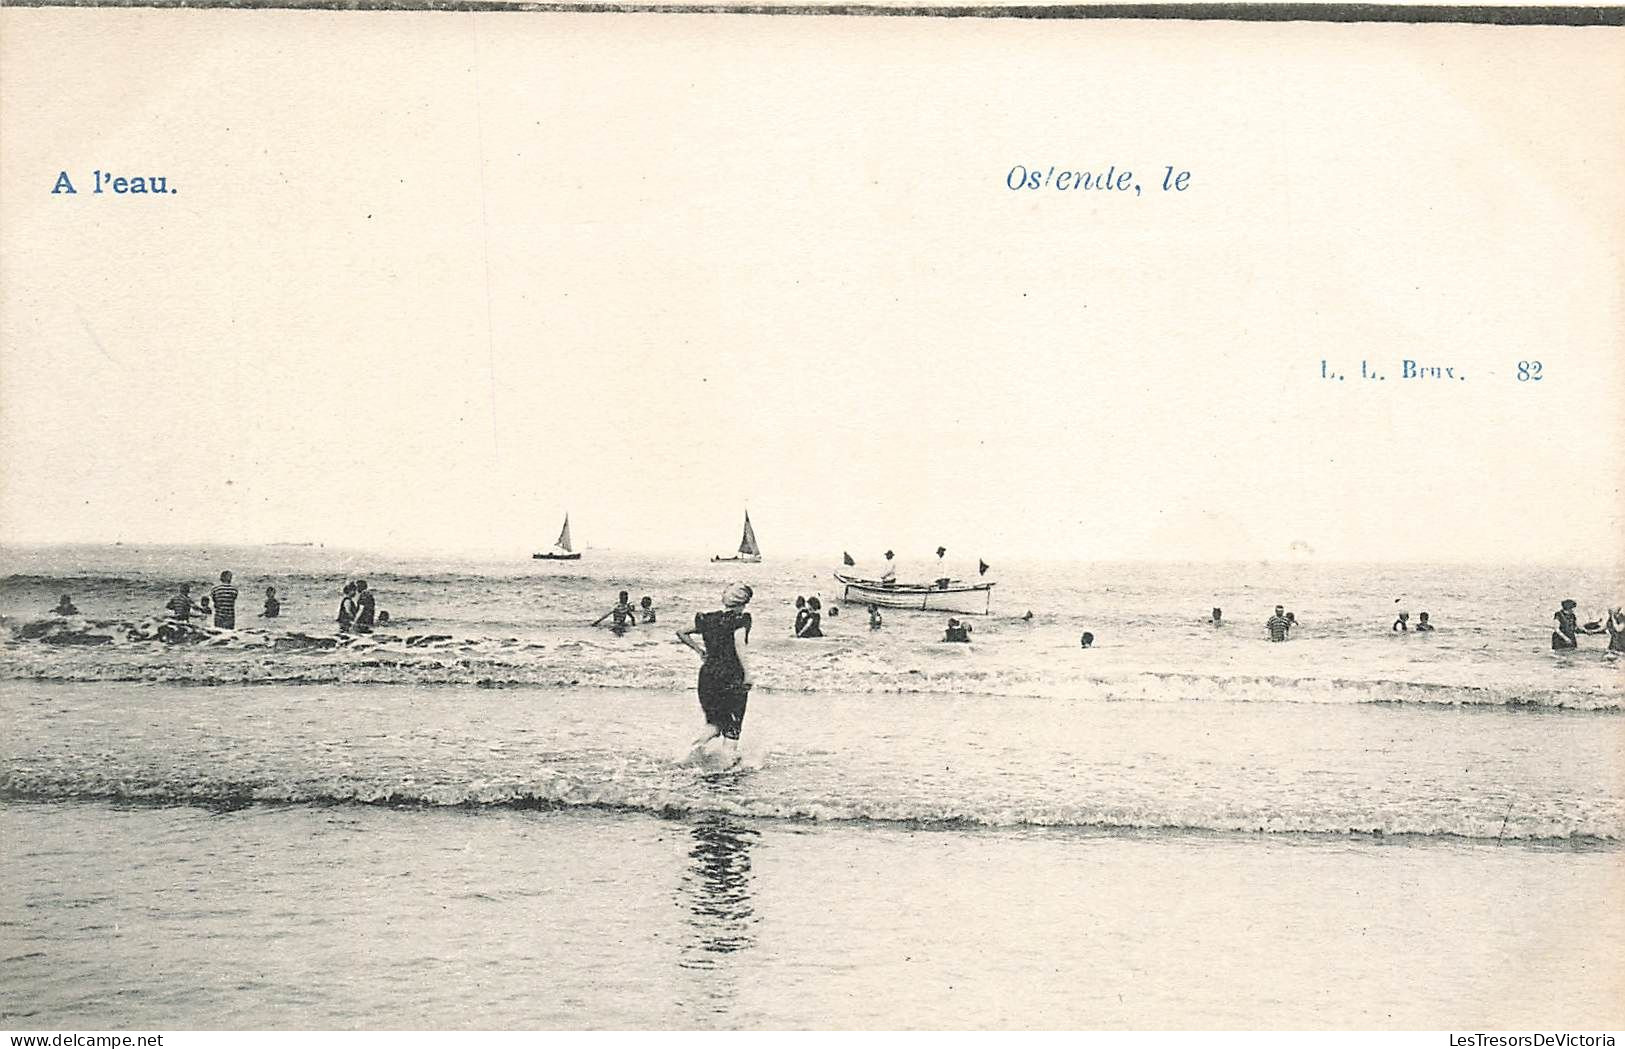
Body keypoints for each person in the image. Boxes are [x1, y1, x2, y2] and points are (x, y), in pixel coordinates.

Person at [676, 583, 755, 746]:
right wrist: (748, 674)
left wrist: (699, 650)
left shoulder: (708, 618)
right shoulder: (741, 619)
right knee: (732, 726)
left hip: (708, 675)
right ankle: (728, 762)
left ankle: (690, 751)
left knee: (714, 724)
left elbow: (681, 632)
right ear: (743, 603)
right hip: (731, 675)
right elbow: (739, 645)